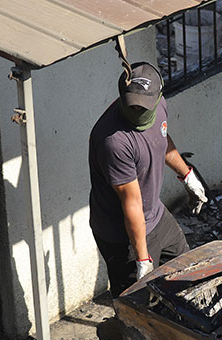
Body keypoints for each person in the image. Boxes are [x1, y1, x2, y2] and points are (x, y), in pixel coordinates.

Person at [88, 62, 208, 298]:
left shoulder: (160, 106)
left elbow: (161, 138)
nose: (137, 112)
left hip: (156, 216)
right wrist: (142, 258)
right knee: (137, 305)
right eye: (132, 106)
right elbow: (131, 203)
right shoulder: (113, 141)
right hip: (123, 234)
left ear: (158, 97)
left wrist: (187, 175)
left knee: (187, 269)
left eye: (144, 108)